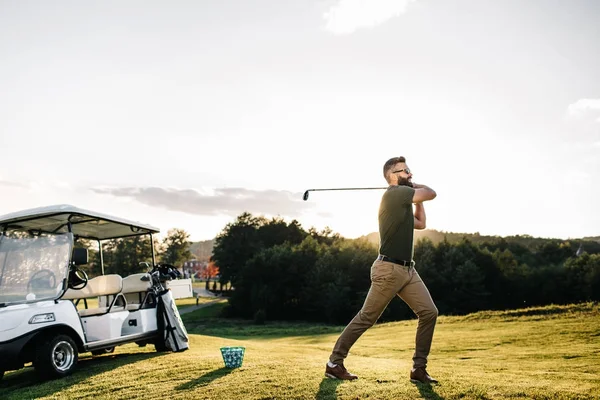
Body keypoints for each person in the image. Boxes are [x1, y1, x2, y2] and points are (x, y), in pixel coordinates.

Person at [324, 156, 439, 384]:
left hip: (407, 270)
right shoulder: (395, 194)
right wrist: (415, 188)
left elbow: (421, 223)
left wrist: (417, 199)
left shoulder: (401, 199)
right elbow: (432, 192)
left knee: (429, 312)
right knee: (367, 317)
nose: (410, 173)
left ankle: (419, 369)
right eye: (404, 171)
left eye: (409, 170)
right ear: (393, 176)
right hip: (388, 269)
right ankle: (334, 363)